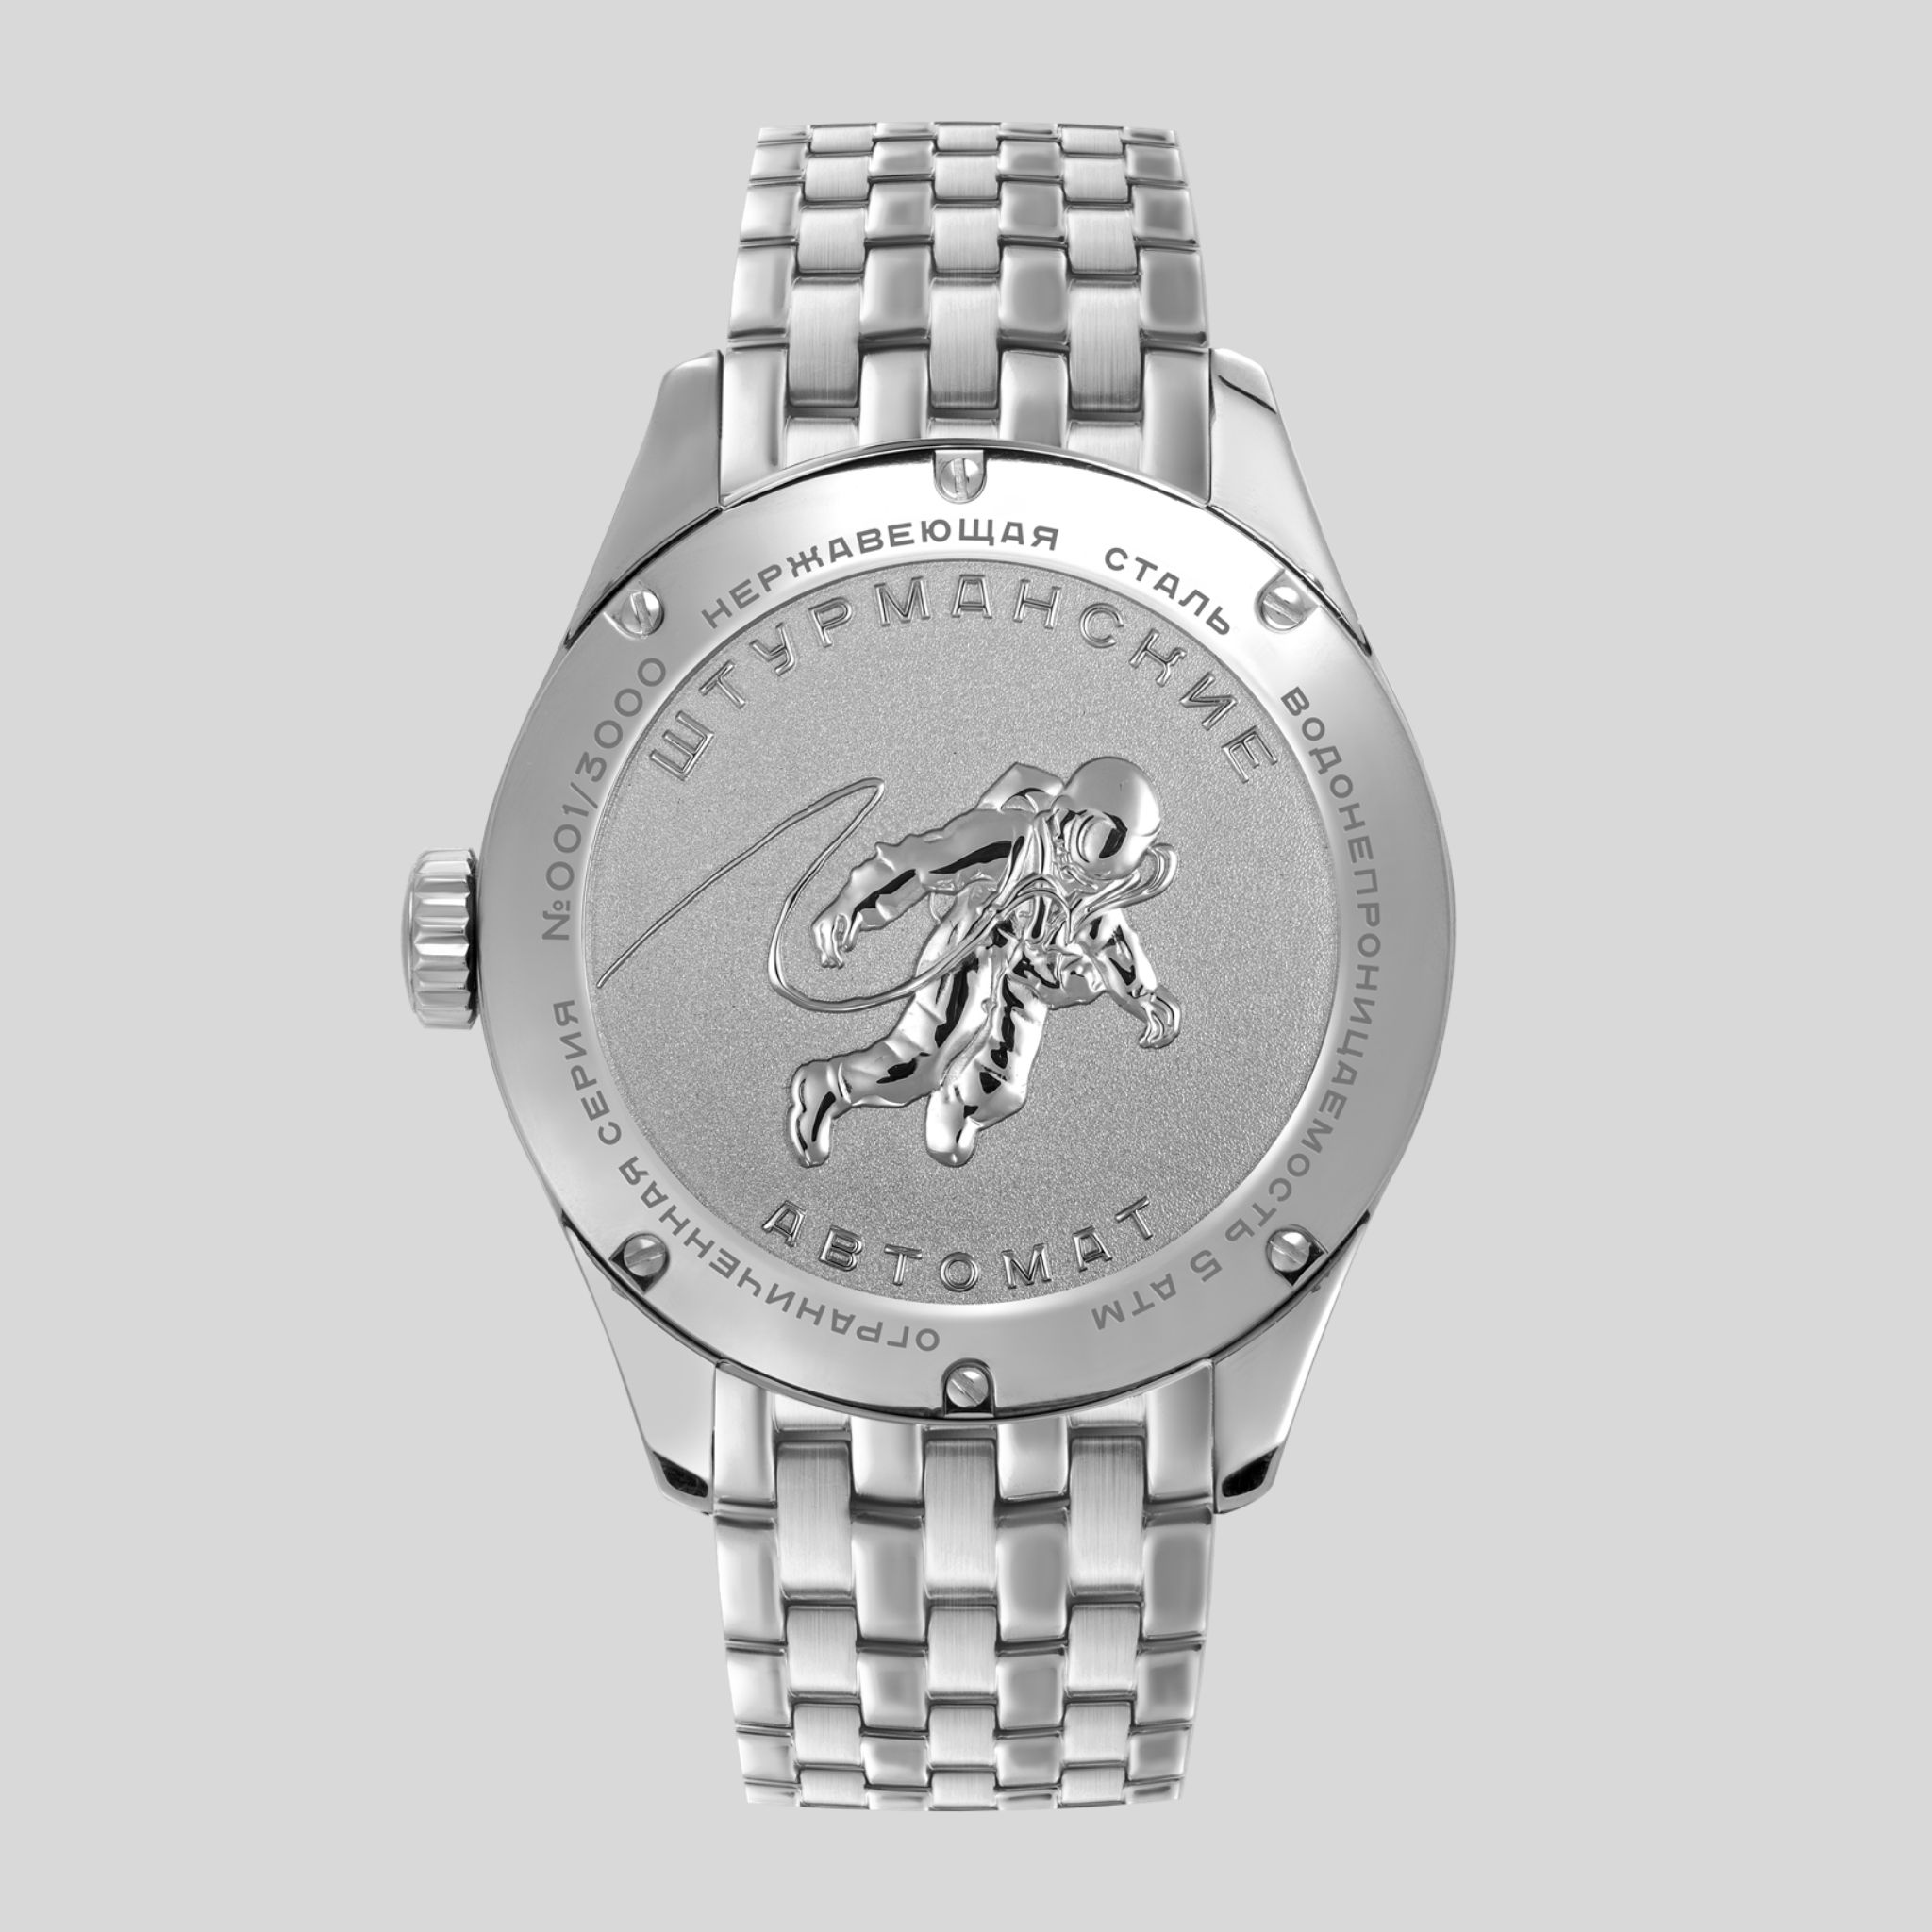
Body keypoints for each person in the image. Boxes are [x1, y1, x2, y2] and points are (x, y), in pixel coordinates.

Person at [787, 758, 1182, 1169]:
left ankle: (959, 1107)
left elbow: (1113, 944)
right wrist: (854, 903)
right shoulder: (1009, 839)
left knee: (1006, 1084)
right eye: (1093, 842)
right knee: (917, 1062)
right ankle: (827, 1086)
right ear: (1065, 815)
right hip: (971, 949)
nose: (1083, 879)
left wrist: (1144, 994)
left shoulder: (1094, 889)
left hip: (1028, 976)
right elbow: (918, 861)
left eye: (1109, 870)